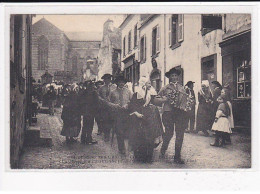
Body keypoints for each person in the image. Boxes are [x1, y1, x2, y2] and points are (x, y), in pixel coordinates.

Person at [153, 67, 188, 164]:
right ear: (169, 77)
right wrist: (165, 99)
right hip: (168, 113)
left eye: (176, 75)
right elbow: (155, 99)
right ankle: (163, 150)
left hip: (180, 113)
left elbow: (186, 100)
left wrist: (186, 105)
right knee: (169, 133)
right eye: (172, 76)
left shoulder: (182, 88)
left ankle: (177, 157)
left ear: (178, 77)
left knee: (180, 134)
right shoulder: (165, 88)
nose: (174, 77)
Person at [128, 76, 163, 163]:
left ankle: (149, 157)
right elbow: (132, 106)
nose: (150, 85)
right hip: (139, 117)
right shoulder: (137, 94)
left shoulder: (152, 93)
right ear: (143, 84)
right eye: (148, 83)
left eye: (150, 83)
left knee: (151, 136)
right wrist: (137, 113)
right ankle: (139, 157)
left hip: (150, 118)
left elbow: (156, 102)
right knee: (140, 137)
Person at [109, 75, 132, 155]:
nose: (121, 83)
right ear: (117, 83)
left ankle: (129, 148)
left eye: (123, 82)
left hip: (126, 113)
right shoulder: (113, 92)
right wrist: (115, 106)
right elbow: (109, 103)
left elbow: (132, 101)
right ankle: (121, 149)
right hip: (117, 114)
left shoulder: (128, 91)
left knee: (127, 131)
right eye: (120, 82)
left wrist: (127, 105)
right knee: (119, 132)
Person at [80, 81, 98, 145]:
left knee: (85, 125)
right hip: (90, 111)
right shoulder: (94, 93)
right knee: (89, 126)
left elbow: (80, 102)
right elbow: (97, 102)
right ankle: (88, 139)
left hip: (86, 111)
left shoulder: (83, 93)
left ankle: (83, 139)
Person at [98, 74, 115, 141]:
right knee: (105, 121)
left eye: (108, 79)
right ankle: (106, 135)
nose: (107, 81)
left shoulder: (114, 87)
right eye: (105, 80)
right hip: (104, 107)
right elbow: (98, 96)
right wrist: (102, 100)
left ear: (110, 80)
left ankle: (111, 132)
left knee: (111, 121)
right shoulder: (101, 88)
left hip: (112, 107)